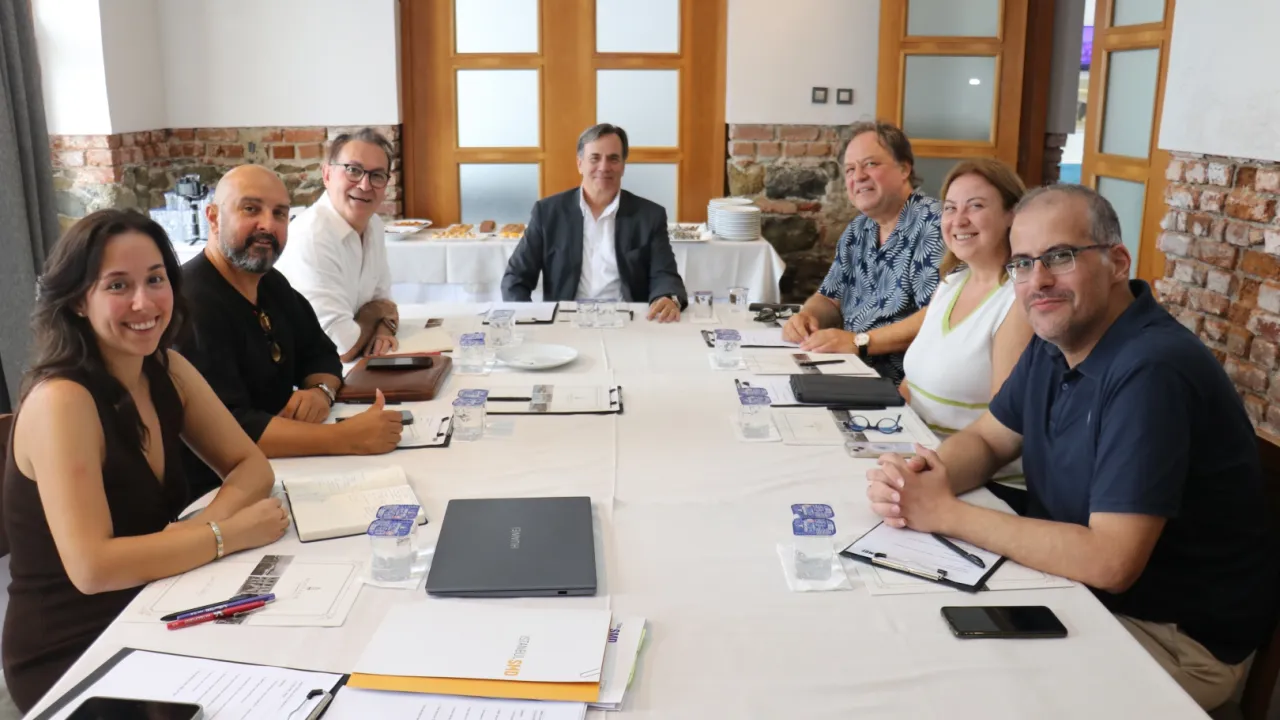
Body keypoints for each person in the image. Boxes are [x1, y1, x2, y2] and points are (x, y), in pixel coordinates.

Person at [866, 185, 1279, 711]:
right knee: (907, 639)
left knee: (964, 695)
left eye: (1059, 257)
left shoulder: (1152, 371)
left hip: (1174, 638)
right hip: (1078, 589)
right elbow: (990, 439)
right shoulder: (1056, 340)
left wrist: (945, 513)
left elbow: (1110, 561)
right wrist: (924, 474)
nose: (1038, 280)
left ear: (1117, 263)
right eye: (1022, 263)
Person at [2, 210, 289, 712]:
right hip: (77, 646)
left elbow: (252, 466)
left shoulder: (166, 367)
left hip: (160, 596)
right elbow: (93, 569)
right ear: (77, 301)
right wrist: (224, 536)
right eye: (118, 285)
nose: (144, 302)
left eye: (155, 279)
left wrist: (200, 531)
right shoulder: (62, 402)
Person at [176, 165, 405, 498]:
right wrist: (346, 438)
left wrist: (319, 392)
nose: (268, 225)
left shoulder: (271, 284)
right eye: (250, 209)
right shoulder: (190, 304)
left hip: (283, 468)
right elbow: (227, 428)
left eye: (280, 214)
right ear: (213, 218)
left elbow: (322, 353)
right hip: (217, 491)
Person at [900, 159, 1034, 509]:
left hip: (982, 486)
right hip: (919, 457)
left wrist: (920, 472)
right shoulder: (952, 282)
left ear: (1011, 215)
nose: (958, 220)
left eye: (975, 206)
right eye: (950, 208)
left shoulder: (1018, 301)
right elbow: (913, 383)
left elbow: (1002, 431)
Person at [781, 121, 944, 383]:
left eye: (870, 164)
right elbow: (829, 299)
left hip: (904, 384)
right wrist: (807, 316)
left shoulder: (935, 224)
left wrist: (860, 342)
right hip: (852, 370)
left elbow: (940, 315)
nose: (858, 176)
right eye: (850, 169)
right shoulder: (859, 229)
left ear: (904, 169)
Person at [501, 123, 687, 323]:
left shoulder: (649, 215)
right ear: (580, 164)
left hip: (628, 320)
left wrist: (668, 298)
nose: (604, 167)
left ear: (623, 166)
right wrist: (528, 318)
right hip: (566, 321)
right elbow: (515, 278)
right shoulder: (547, 213)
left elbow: (664, 274)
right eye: (595, 158)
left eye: (613, 159)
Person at [276, 128, 400, 362]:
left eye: (377, 175)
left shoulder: (373, 224)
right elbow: (341, 347)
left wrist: (384, 328)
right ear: (327, 175)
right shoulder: (312, 235)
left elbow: (387, 304)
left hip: (356, 366)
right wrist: (375, 311)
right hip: (305, 374)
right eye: (353, 170)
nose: (365, 185)